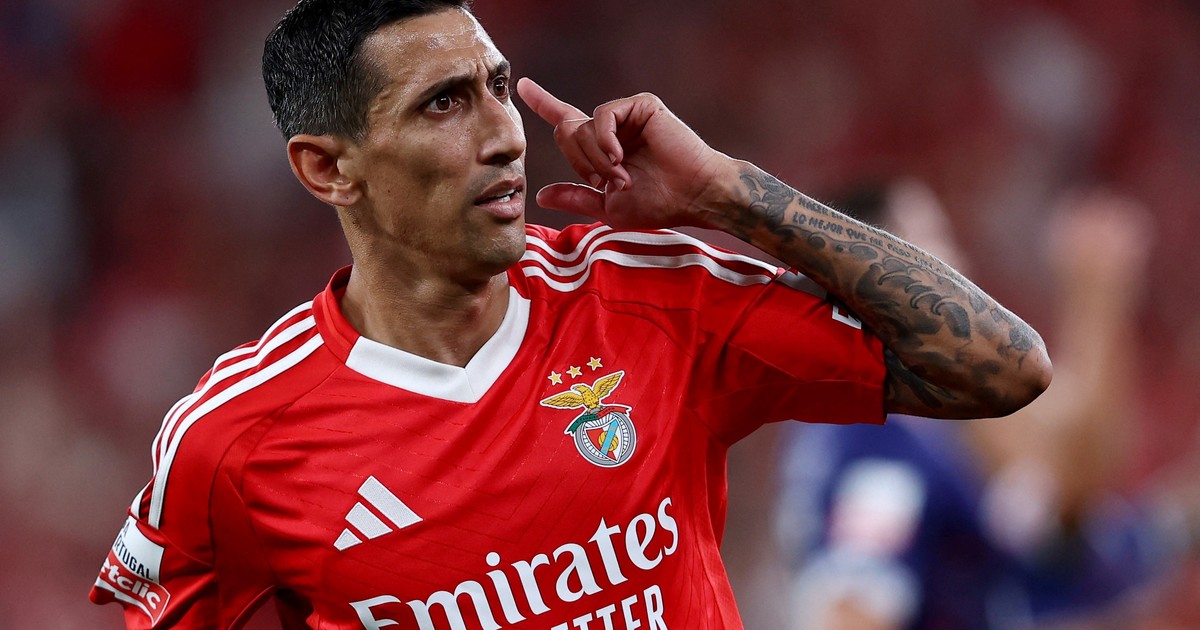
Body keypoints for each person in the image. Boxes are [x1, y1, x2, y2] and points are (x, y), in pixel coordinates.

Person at [88, 1, 1050, 628]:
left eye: (497, 87)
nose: (505, 135)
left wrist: (726, 193)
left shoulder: (646, 295)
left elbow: (1004, 368)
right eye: (444, 105)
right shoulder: (234, 441)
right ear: (327, 168)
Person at [775, 181, 1177, 629]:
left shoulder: (927, 419)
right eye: (931, 244)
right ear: (873, 278)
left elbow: (1073, 482)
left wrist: (1097, 300)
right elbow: (848, 615)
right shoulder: (876, 444)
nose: (957, 265)